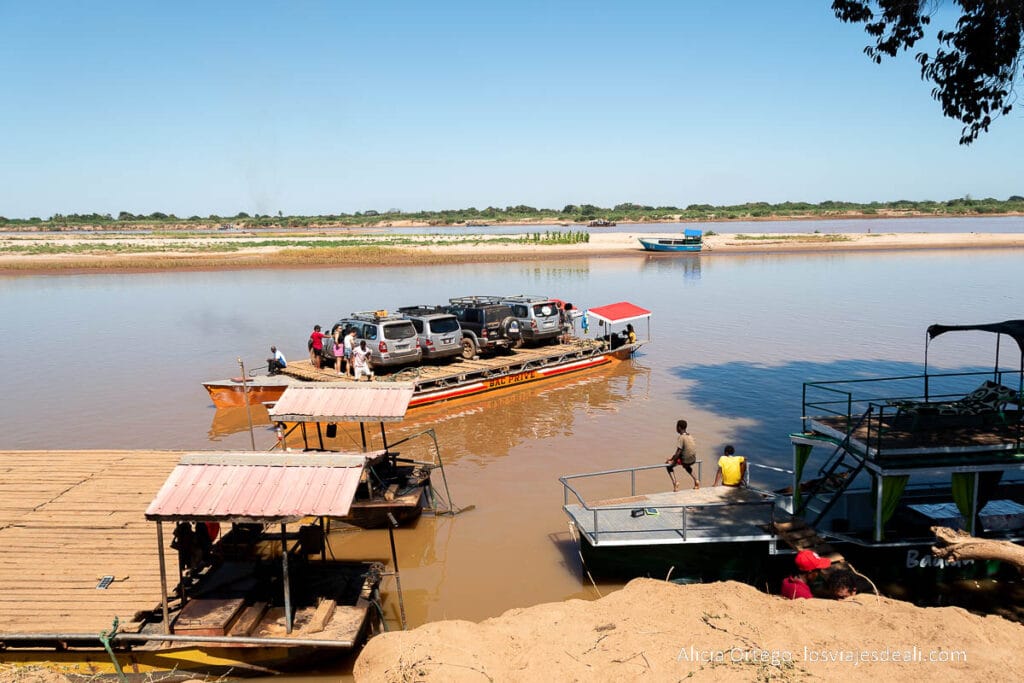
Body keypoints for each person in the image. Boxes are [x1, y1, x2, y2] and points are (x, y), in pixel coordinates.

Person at [665, 419, 700, 491]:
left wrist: (671, 461)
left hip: (685, 460)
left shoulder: (681, 437)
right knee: (686, 466)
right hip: (693, 459)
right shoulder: (690, 436)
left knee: (668, 466)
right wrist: (672, 458)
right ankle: (696, 480)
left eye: (676, 426)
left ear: (679, 428)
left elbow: (678, 452)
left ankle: (675, 483)